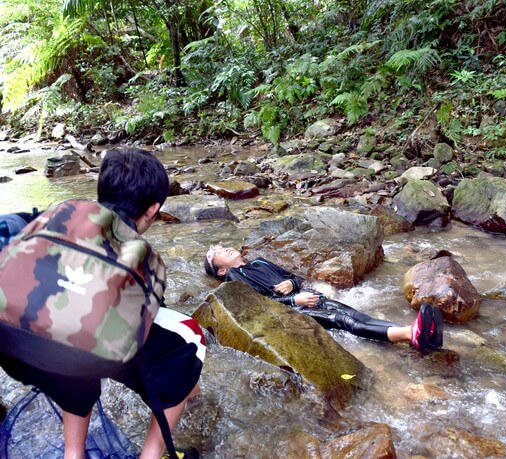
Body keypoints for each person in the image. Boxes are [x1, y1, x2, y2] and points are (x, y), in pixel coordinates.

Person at [0, 148, 205, 459]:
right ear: (151, 210)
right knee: (189, 340)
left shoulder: (61, 214)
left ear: (100, 189)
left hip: (10, 344)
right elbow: (142, 323)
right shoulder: (140, 252)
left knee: (66, 334)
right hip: (81, 355)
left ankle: (73, 453)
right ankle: (150, 455)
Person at [204, 245, 443, 351]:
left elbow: (294, 277)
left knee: (353, 313)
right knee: (341, 320)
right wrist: (292, 301)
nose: (222, 248)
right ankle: (410, 334)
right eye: (216, 254)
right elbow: (258, 303)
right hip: (293, 310)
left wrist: (291, 283)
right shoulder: (234, 277)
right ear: (221, 270)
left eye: (221, 246)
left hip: (306, 296)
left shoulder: (257, 261)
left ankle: (415, 334)